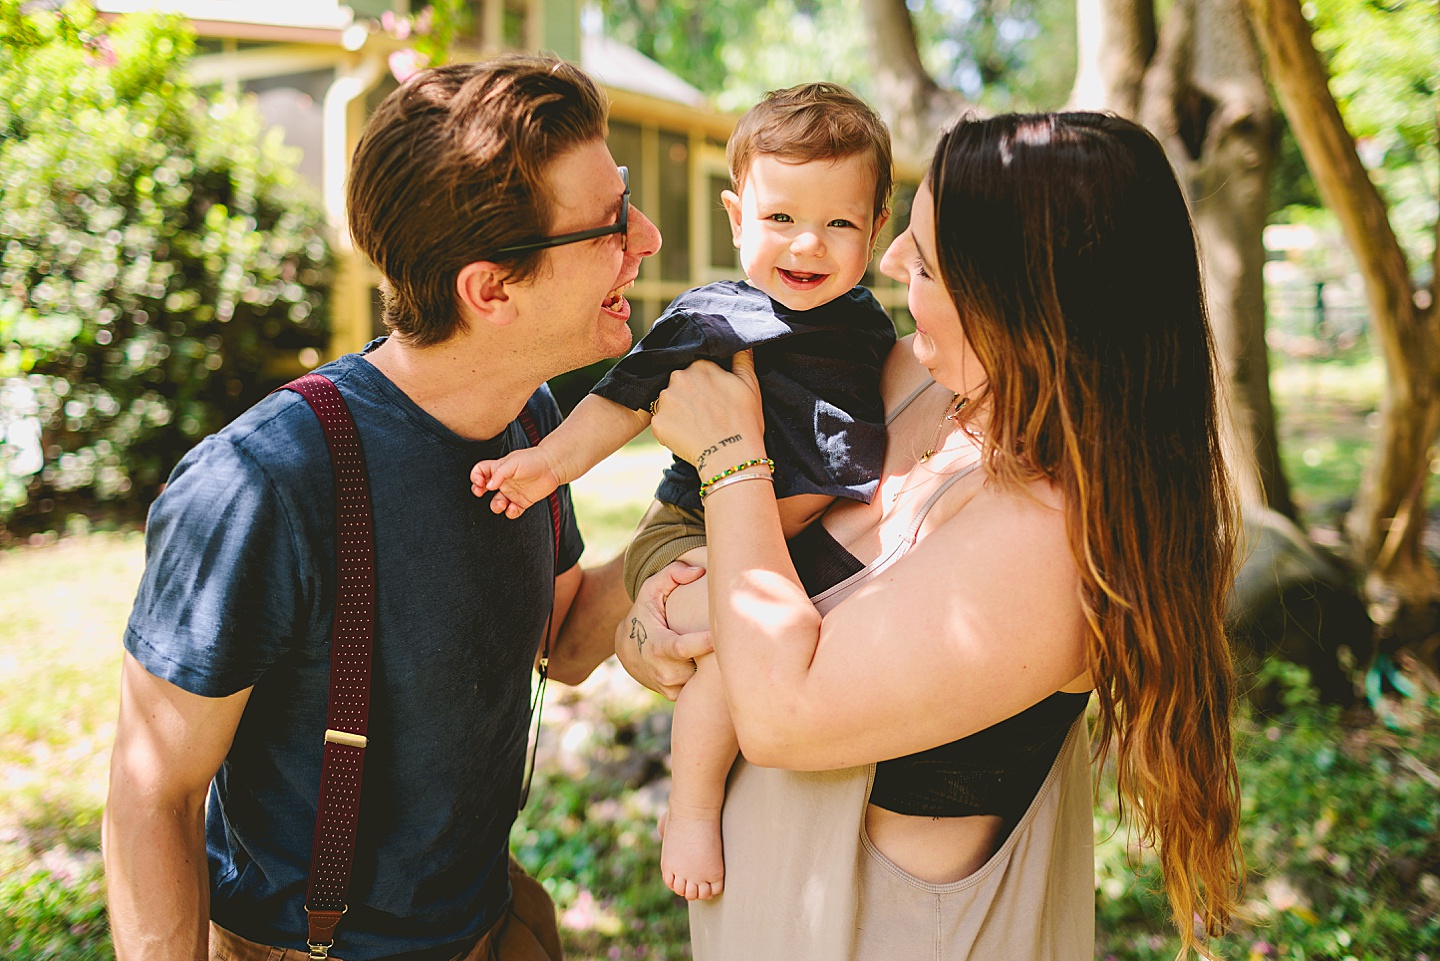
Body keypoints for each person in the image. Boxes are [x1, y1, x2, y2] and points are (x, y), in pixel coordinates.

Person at [102, 56, 706, 961]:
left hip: (490, 924)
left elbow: (565, 640)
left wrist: (696, 491)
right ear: (490, 288)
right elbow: (153, 795)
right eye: (610, 223)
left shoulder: (531, 419)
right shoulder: (261, 487)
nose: (648, 236)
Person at [623, 112, 1245, 959]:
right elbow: (732, 583)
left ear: (1023, 296)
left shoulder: (1051, 533)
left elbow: (779, 712)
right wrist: (650, 625)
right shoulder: (919, 376)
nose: (887, 262)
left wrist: (731, 455)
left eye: (925, 259)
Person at [470, 83, 895, 901]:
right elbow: (623, 398)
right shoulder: (714, 315)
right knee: (733, 654)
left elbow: (845, 471)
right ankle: (692, 807)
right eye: (779, 219)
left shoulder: (870, 338)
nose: (807, 243)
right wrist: (550, 465)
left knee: (755, 636)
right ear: (737, 218)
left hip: (778, 539)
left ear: (877, 228)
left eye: (839, 223)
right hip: (690, 527)